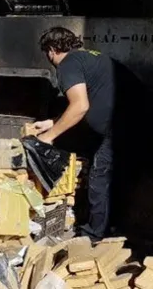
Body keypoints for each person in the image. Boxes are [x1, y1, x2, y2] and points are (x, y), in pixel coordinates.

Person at [33, 26, 119, 241]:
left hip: (118, 125)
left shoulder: (67, 64)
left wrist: (49, 135)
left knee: (100, 177)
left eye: (47, 53)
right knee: (108, 174)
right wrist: (52, 122)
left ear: (52, 49)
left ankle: (94, 237)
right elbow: (91, 99)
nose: (48, 58)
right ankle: (111, 226)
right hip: (126, 119)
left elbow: (80, 106)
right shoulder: (87, 57)